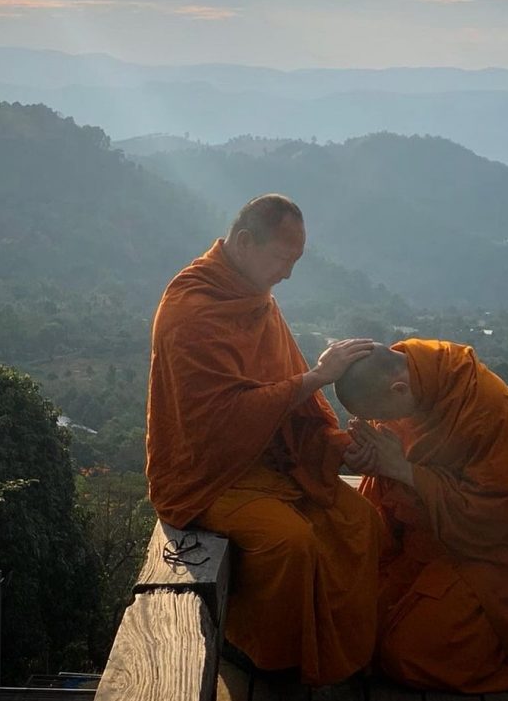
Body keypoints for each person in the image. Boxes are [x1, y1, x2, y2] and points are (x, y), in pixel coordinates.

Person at [146, 194, 382, 686]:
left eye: (295, 262)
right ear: (245, 242)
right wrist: (318, 377)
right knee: (290, 543)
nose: (287, 275)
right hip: (208, 474)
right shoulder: (192, 311)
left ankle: (343, 648)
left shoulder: (254, 298)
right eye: (281, 260)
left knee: (361, 521)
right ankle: (259, 655)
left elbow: (286, 389)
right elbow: (222, 420)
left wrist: (334, 444)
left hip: (269, 461)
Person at [338, 339, 508, 694]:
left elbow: (491, 520)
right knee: (354, 631)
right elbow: (396, 461)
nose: (384, 424)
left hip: (482, 559)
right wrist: (376, 463)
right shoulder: (413, 375)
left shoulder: (487, 408)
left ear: (398, 389)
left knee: (406, 655)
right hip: (416, 543)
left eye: (383, 416)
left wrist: (404, 470)